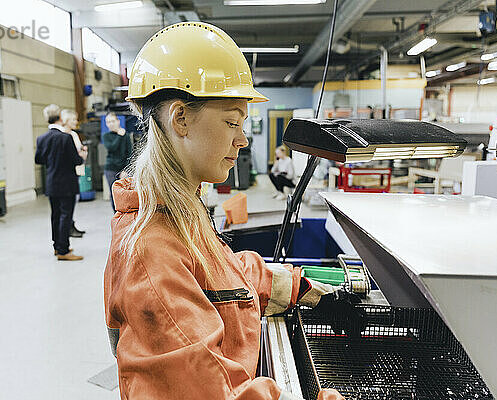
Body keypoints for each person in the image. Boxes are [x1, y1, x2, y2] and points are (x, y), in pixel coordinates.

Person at [104, 22, 364, 400]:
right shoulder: (151, 251)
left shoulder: (178, 210)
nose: (242, 140)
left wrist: (292, 285)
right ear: (180, 119)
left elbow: (220, 274)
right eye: (231, 122)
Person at [35, 104, 84, 261]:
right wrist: (81, 155)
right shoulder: (65, 138)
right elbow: (76, 160)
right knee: (65, 216)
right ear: (61, 118)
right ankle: (63, 250)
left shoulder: (41, 138)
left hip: (51, 182)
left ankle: (57, 246)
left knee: (55, 215)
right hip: (67, 183)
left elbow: (38, 159)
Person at [61, 109, 88, 238]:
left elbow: (79, 149)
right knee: (66, 202)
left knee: (74, 199)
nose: (76, 122)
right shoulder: (61, 136)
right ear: (66, 120)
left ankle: (71, 225)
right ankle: (67, 227)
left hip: (76, 170)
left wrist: (83, 152)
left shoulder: (74, 135)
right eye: (73, 120)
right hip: (65, 173)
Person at [102, 112, 132, 212]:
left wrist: (126, 170)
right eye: (108, 122)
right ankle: (116, 217)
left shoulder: (126, 136)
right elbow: (112, 148)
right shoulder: (106, 136)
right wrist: (119, 136)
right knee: (114, 194)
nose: (111, 124)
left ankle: (126, 217)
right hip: (111, 169)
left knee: (125, 194)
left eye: (113, 121)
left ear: (118, 121)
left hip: (123, 169)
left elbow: (130, 154)